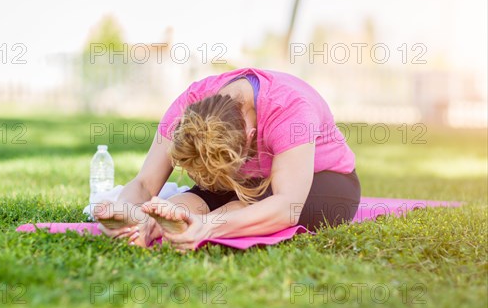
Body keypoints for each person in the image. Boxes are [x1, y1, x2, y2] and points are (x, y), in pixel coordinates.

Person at [94, 67, 361, 251]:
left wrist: (208, 227)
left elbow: (285, 207)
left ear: (250, 136)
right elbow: (144, 183)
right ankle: (151, 224)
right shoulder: (191, 102)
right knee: (195, 200)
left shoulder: (289, 109)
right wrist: (129, 210)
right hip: (238, 181)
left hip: (323, 182)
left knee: (250, 202)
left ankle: (199, 225)